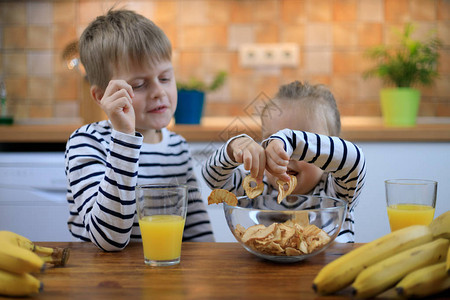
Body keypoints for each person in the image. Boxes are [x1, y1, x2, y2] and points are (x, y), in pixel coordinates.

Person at [65, 9, 214, 251]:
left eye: (165, 78)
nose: (159, 92)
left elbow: (197, 229)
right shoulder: (86, 142)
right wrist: (124, 137)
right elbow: (109, 239)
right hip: (101, 280)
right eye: (139, 85)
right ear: (102, 96)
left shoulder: (177, 146)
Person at [202, 81, 366, 243]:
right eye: (271, 142)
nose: (284, 155)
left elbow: (354, 160)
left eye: (301, 146)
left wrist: (287, 140)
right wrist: (233, 148)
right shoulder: (257, 188)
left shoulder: (336, 192)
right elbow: (212, 177)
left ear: (325, 150)